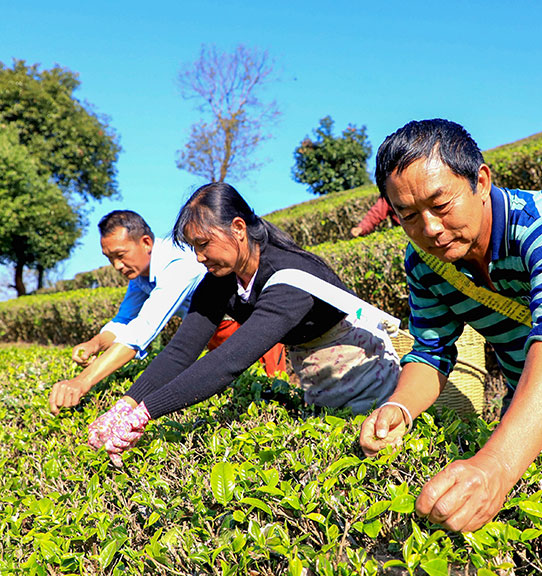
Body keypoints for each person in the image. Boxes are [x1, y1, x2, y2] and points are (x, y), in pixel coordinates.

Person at [358, 119, 542, 533]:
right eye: (408, 215)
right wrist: (400, 407)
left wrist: (496, 466)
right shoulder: (424, 263)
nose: (429, 229)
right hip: (527, 402)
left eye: (441, 205)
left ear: (481, 181)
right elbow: (431, 351)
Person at [88, 182, 400, 467]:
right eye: (193, 248)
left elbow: (228, 362)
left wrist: (144, 414)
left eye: (203, 244)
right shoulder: (222, 279)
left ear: (238, 228)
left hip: (364, 374)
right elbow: (181, 350)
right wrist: (126, 404)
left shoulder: (289, 278)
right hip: (315, 381)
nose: (198, 257)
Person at [48, 211, 207, 414]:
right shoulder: (140, 274)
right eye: (110, 258)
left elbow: (142, 329)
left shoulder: (178, 264)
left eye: (120, 255)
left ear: (146, 243)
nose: (116, 266)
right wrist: (94, 344)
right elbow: (124, 320)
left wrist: (82, 381)